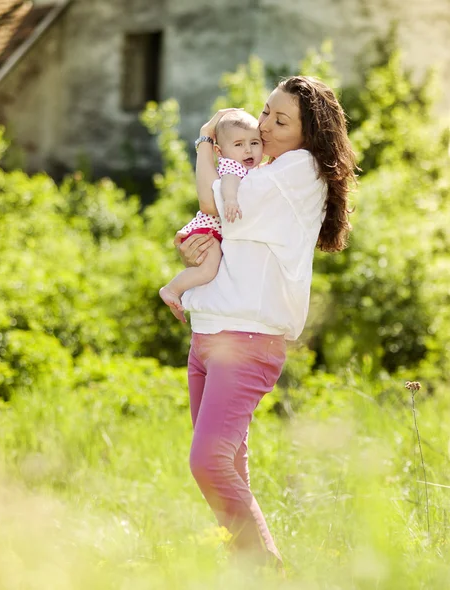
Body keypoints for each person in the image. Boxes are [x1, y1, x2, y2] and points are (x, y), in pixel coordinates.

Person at [177, 76, 357, 567]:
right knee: (228, 467)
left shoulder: (300, 168)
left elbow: (218, 206)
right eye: (264, 112)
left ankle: (268, 571)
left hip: (245, 338)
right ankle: (252, 571)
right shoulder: (267, 171)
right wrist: (203, 245)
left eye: (281, 120)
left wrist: (204, 145)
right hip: (211, 331)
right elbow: (221, 222)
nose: (264, 126)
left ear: (310, 133)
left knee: (209, 462)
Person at [159, 111, 263, 323]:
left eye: (254, 142)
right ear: (219, 151)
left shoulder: (252, 169)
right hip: (209, 230)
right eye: (238, 144)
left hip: (212, 230)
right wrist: (231, 200)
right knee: (207, 270)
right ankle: (171, 289)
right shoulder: (232, 166)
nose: (248, 150)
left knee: (209, 270)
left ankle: (181, 294)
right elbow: (228, 182)